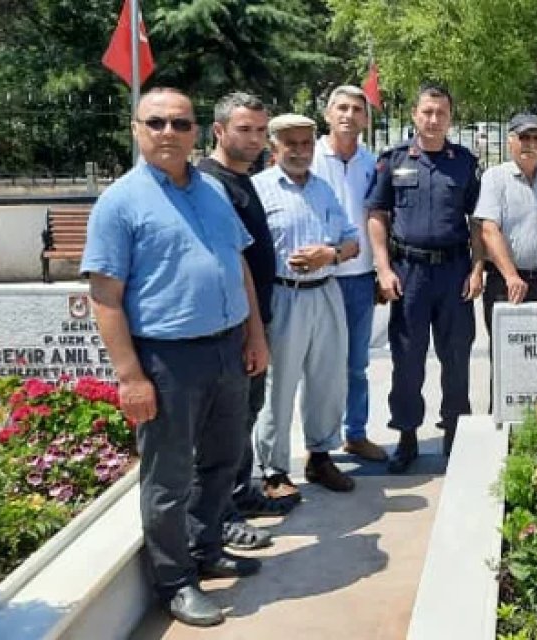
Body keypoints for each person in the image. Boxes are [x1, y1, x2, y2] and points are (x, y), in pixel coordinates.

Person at [82, 87, 269, 627]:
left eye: (180, 123)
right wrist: (130, 376)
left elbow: (238, 268)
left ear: (196, 132)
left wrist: (255, 335)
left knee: (222, 458)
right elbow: (105, 297)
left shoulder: (211, 189)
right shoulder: (120, 202)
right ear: (138, 128)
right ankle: (176, 580)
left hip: (227, 350)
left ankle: (206, 546)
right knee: (168, 477)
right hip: (166, 359)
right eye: (157, 122)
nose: (169, 132)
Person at [368, 83, 484, 471]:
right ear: (415, 115)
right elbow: (377, 216)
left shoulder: (464, 163)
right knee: (407, 358)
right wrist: (383, 268)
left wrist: (478, 266)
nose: (434, 120)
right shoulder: (394, 160)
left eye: (441, 113)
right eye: (427, 112)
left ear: (451, 118)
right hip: (409, 272)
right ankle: (406, 435)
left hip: (454, 272)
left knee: (456, 356)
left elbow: (477, 222)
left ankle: (454, 432)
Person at [198, 91, 295, 554]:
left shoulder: (243, 179)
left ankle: (240, 490)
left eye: (260, 130)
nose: (255, 139)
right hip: (232, 325)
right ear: (219, 131)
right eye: (245, 130)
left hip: (255, 318)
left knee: (247, 412)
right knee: (227, 424)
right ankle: (224, 515)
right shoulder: (209, 184)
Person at [252, 114, 361, 495]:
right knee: (279, 385)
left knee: (328, 380)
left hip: (326, 290)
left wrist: (329, 254)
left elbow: (352, 241)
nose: (300, 151)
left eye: (306, 143)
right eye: (291, 144)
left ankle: (320, 456)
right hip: (284, 295)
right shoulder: (259, 190)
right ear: (274, 146)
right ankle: (273, 469)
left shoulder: (323, 190)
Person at [309, 85, 385, 462]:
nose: (348, 115)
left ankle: (356, 432)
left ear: (365, 119)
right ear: (327, 114)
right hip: (319, 278)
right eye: (341, 107)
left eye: (357, 109)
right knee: (321, 367)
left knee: (357, 364)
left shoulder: (372, 163)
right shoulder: (310, 159)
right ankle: (319, 442)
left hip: (359, 277)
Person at [477, 113, 537, 334]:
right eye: (524, 137)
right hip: (505, 283)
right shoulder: (494, 178)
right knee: (506, 360)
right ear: (510, 140)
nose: (531, 144)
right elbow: (489, 229)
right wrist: (511, 276)